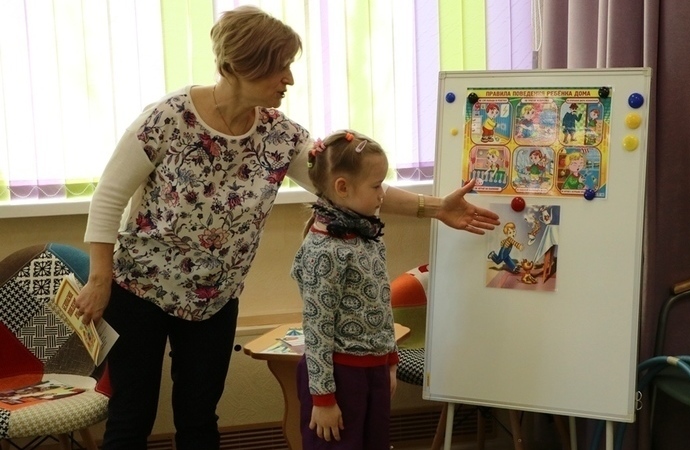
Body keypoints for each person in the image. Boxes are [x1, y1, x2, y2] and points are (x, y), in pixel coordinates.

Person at [74, 5, 499, 450]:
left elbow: (350, 187)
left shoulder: (281, 136)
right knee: (131, 417)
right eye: (279, 68)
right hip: (140, 288)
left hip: (214, 299)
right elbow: (108, 196)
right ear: (237, 67)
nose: (289, 80)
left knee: (198, 418)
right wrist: (100, 279)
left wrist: (436, 208)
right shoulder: (168, 118)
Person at [291, 129, 395, 448]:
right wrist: (323, 399)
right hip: (339, 376)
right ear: (342, 187)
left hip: (374, 369)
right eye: (376, 186)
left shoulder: (367, 236)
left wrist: (390, 360)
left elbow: (382, 302)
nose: (382, 194)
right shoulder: (324, 250)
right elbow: (318, 325)